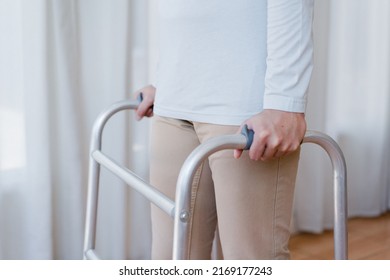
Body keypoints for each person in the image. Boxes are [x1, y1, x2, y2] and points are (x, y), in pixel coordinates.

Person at [135, 0, 314, 259]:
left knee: (249, 261)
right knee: (171, 257)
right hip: (173, 102)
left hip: (244, 112)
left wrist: (285, 101)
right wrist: (165, 78)